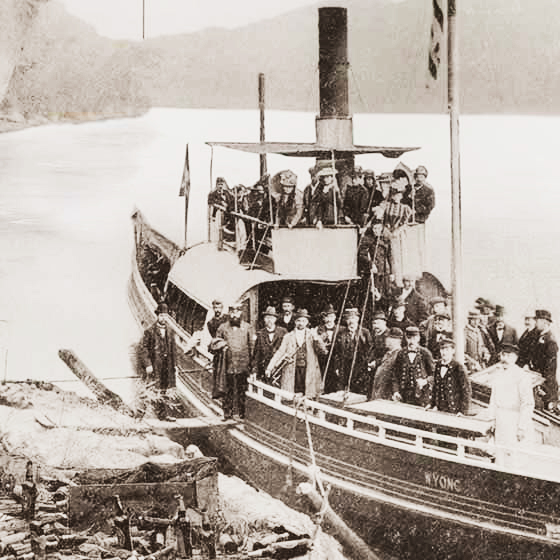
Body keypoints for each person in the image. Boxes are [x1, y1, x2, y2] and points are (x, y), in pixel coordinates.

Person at [486, 343, 536, 467]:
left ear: (515, 358)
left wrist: (522, 427)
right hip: (500, 419)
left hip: (514, 420)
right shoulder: (497, 374)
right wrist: (492, 419)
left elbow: (528, 403)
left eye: (508, 355)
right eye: (502, 355)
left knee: (513, 457)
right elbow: (493, 399)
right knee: (499, 455)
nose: (504, 359)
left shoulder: (522, 376)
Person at [265, 309, 327, 397]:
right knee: (293, 394)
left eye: (303, 321)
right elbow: (280, 352)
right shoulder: (288, 336)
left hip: (309, 370)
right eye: (298, 320)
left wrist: (316, 338)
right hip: (292, 370)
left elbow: (323, 351)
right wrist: (269, 368)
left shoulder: (312, 335)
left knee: (309, 394)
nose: (301, 323)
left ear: (307, 322)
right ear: (295, 322)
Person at [212, 303, 255, 419]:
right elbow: (215, 343)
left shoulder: (248, 327)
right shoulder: (222, 327)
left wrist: (252, 366)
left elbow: (252, 346)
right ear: (229, 313)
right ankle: (227, 413)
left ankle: (242, 413)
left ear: (241, 313)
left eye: (237, 312)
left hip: (243, 365)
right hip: (228, 365)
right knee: (227, 390)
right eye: (232, 312)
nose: (234, 315)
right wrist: (222, 345)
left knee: (242, 390)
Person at [139, 302, 177, 420]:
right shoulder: (150, 331)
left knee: (165, 390)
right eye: (161, 315)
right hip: (155, 366)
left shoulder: (170, 331)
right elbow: (143, 349)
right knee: (150, 389)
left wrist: (175, 365)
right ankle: (140, 415)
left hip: (167, 366)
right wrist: (148, 364)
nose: (163, 318)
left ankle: (164, 415)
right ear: (157, 316)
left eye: (165, 316)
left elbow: (174, 350)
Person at [331, 308, 373, 395]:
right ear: (346, 321)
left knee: (358, 389)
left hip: (360, 366)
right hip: (344, 365)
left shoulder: (365, 332)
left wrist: (368, 363)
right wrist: (337, 367)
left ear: (357, 319)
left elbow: (370, 350)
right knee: (342, 388)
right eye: (348, 319)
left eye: (353, 318)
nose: (351, 321)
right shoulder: (341, 333)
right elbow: (336, 352)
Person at [391, 326, 435, 407]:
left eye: (414, 338)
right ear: (405, 338)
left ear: (418, 338)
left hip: (421, 394)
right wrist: (395, 391)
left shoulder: (425, 353)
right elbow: (395, 375)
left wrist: (425, 381)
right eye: (409, 338)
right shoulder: (401, 353)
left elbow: (434, 374)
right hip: (404, 395)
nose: (411, 341)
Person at [431, 338, 471, 415]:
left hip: (454, 410)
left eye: (447, 350)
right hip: (439, 409)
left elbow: (466, 390)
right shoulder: (438, 365)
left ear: (453, 351)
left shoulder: (459, 367)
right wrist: (433, 404)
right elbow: (435, 387)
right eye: (442, 349)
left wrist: (462, 411)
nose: (444, 353)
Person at [531, 309, 559, 413]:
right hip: (538, 379)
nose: (536, 323)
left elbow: (550, 369)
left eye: (537, 321)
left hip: (545, 384)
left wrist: (542, 385)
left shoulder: (550, 341)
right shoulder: (539, 336)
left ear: (545, 322)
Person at [252, 307, 287, 383]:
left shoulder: (283, 332)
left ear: (275, 319)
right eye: (267, 318)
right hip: (265, 368)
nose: (269, 320)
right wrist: (254, 371)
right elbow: (257, 355)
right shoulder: (260, 334)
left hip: (279, 367)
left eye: (272, 318)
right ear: (264, 319)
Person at [370, 327, 403, 400]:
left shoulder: (399, 355)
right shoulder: (388, 354)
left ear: (396, 340)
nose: (385, 340)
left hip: (387, 395)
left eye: (388, 338)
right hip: (379, 393)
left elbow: (395, 377)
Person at [313, 303, 340, 393]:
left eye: (331, 316)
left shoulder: (340, 329)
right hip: (323, 358)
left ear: (335, 317)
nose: (329, 319)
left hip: (336, 358)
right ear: (324, 318)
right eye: (327, 317)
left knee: (336, 378)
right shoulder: (318, 329)